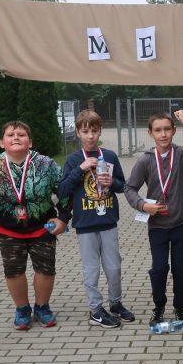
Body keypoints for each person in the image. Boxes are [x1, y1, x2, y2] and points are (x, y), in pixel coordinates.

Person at [0, 121, 71, 330]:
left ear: (30, 142)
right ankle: (22, 309)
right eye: (10, 135)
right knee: (14, 271)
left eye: (21, 134)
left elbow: (65, 190)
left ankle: (42, 307)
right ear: (2, 143)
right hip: (8, 230)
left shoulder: (46, 165)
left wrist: (63, 219)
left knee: (46, 270)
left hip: (43, 227)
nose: (16, 137)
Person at [124, 110, 183, 327]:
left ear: (173, 131)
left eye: (167, 129)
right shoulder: (145, 160)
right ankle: (159, 306)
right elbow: (129, 188)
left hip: (182, 222)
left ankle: (180, 308)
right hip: (157, 226)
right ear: (150, 133)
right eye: (158, 130)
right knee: (159, 268)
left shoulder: (182, 155)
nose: (163, 134)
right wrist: (143, 205)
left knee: (180, 269)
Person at [58, 109, 132, 329]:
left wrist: (112, 183)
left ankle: (115, 304)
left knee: (114, 267)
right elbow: (62, 190)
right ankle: (96, 310)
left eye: (94, 131)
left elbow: (123, 186)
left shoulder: (109, 156)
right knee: (91, 269)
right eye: (85, 131)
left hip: (108, 221)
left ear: (100, 131)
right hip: (85, 225)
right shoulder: (73, 160)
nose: (90, 136)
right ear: (78, 133)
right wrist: (80, 170)